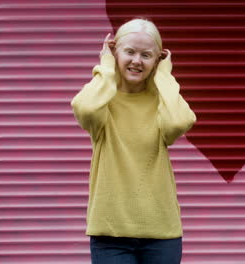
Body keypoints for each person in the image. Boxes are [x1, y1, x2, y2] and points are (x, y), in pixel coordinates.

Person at [70, 18, 196, 264]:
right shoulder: (103, 101)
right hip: (110, 234)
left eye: (146, 55)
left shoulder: (162, 102)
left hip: (161, 233)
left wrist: (165, 77)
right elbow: (83, 108)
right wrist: (106, 66)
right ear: (115, 51)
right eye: (129, 52)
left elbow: (179, 123)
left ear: (157, 60)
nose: (137, 60)